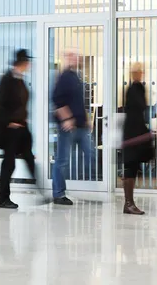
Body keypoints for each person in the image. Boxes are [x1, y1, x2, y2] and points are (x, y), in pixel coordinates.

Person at [0, 49, 36, 209]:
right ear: (23, 63)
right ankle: (2, 198)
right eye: (28, 62)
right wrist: (11, 122)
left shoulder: (19, 79)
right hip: (10, 131)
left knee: (28, 158)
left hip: (21, 129)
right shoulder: (8, 79)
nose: (29, 65)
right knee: (9, 164)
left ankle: (40, 189)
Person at [51, 49, 97, 206]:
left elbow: (78, 101)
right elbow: (57, 101)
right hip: (69, 127)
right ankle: (58, 194)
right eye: (71, 56)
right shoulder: (64, 77)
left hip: (81, 126)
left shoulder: (75, 77)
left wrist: (86, 119)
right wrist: (67, 118)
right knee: (62, 160)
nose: (75, 59)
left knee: (91, 154)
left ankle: (92, 187)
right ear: (66, 58)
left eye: (76, 56)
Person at [121, 63, 154, 215]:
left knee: (132, 167)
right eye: (139, 71)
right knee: (130, 167)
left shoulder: (136, 88)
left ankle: (129, 203)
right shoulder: (135, 89)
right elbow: (138, 110)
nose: (141, 74)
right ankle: (128, 204)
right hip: (132, 134)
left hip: (133, 133)